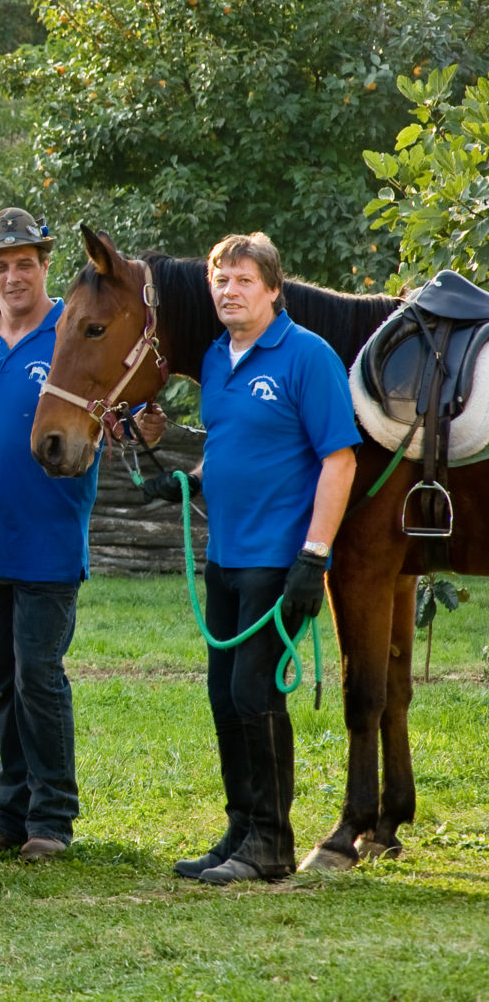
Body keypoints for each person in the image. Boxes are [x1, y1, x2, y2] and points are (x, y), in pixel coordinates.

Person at [149, 233, 358, 884]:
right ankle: (240, 828)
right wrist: (189, 475)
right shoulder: (216, 358)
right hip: (225, 554)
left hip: (278, 560)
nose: (228, 290)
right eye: (220, 280)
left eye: (242, 279)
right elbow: (232, 443)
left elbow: (338, 458)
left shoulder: (307, 356)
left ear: (273, 288)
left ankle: (271, 842)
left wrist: (314, 557)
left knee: (253, 690)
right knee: (223, 693)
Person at [0, 208, 161, 863]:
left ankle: (52, 818)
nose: (12, 275)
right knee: (3, 678)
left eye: (24, 262)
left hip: (48, 537)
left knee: (39, 676)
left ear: (44, 265)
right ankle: (8, 813)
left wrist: (140, 425)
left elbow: (121, 412)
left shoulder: (70, 327)